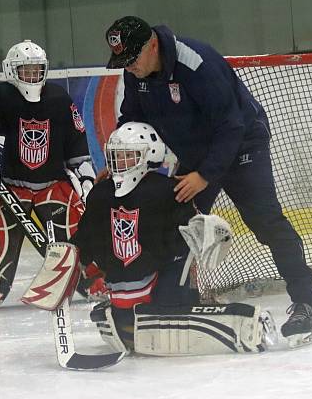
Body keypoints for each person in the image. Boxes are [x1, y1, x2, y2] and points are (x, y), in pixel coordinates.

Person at [103, 16, 312, 345]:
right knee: (173, 222)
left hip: (242, 145)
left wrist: (204, 175)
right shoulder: (137, 71)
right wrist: (121, 156)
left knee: (265, 221)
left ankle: (306, 304)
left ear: (152, 45)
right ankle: (178, 298)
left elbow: (232, 125)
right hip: (193, 153)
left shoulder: (198, 63)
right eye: (124, 62)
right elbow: (133, 118)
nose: (129, 68)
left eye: (132, 59)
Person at [55, 121, 274, 354]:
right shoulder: (101, 193)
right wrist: (70, 258)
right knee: (126, 314)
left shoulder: (167, 190)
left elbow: (186, 238)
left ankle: (179, 303)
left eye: (127, 156)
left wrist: (203, 232)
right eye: (115, 156)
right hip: (122, 285)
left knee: (172, 285)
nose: (118, 163)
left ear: (149, 156)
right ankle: (137, 314)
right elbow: (87, 236)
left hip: (161, 281)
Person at [0, 39, 102, 306]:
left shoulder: (59, 98)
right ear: (11, 70)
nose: (32, 75)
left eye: (37, 69)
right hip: (11, 185)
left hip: (53, 183)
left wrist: (84, 174)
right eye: (26, 70)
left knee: (78, 225)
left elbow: (76, 138)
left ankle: (94, 278)